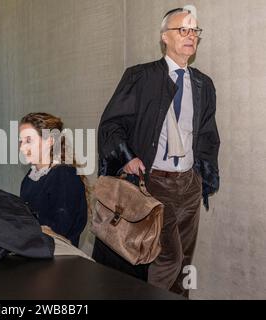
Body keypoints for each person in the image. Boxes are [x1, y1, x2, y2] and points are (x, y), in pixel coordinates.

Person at [95, 7, 220, 297]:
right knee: (166, 258)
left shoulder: (203, 84)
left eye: (195, 32)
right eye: (183, 30)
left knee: (185, 262)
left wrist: (203, 176)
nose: (191, 37)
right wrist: (127, 157)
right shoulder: (140, 77)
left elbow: (208, 134)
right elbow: (111, 125)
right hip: (153, 183)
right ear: (165, 37)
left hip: (188, 184)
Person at [19, 113, 88, 247]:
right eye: (21, 141)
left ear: (49, 141)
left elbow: (59, 229)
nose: (21, 147)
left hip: (58, 258)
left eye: (28, 140)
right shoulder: (31, 176)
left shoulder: (65, 176)